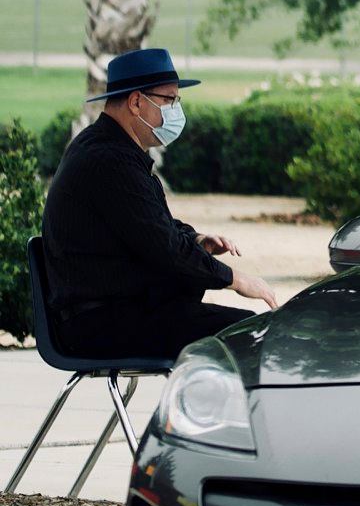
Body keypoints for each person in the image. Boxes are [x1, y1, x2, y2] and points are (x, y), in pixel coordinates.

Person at [42, 48, 278, 358]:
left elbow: (148, 222)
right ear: (137, 102)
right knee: (253, 334)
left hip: (116, 313)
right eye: (168, 100)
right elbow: (163, 247)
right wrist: (235, 279)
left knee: (244, 330)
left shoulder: (106, 148)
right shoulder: (110, 160)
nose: (175, 110)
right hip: (102, 322)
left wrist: (195, 239)